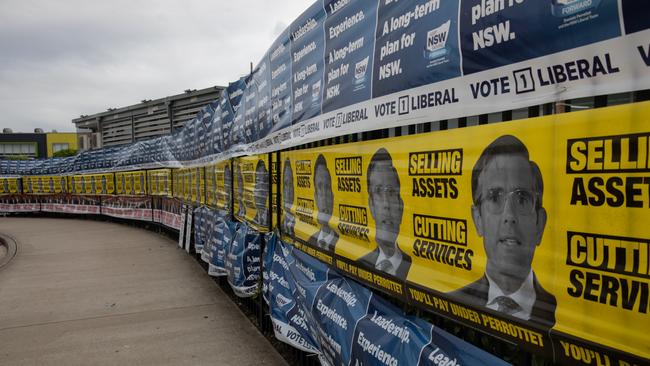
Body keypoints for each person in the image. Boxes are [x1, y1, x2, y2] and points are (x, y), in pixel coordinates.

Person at [449, 135, 556, 327]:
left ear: (540, 223)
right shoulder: (453, 304)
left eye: (522, 198)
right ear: (478, 219)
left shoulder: (565, 314)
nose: (509, 215)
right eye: (494, 197)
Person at [359, 148, 411, 279]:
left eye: (391, 192)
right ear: (371, 206)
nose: (386, 204)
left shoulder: (417, 269)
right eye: (378, 191)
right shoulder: (360, 264)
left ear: (401, 207)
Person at [307, 154, 338, 251]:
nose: (324, 196)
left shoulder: (343, 244)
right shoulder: (309, 242)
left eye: (328, 187)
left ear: (333, 197)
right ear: (315, 197)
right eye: (320, 187)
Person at [281, 158, 295, 237]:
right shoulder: (279, 224)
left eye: (291, 184)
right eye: (286, 184)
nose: (288, 190)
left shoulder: (301, 225)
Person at [253, 160, 269, 228]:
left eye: (264, 182)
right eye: (257, 181)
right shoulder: (253, 219)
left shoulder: (271, 219)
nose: (260, 189)